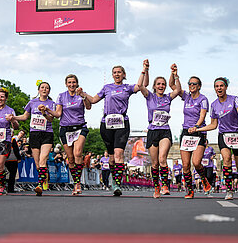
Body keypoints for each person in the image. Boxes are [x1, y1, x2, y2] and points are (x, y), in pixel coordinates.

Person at [78, 65, 147, 196]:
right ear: (112, 75)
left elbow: (140, 85)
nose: (117, 74)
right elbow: (93, 100)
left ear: (124, 74)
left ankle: (116, 183)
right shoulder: (107, 88)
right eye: (114, 72)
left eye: (119, 72)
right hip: (107, 124)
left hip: (122, 123)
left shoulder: (127, 88)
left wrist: (143, 70)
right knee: (111, 159)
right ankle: (113, 179)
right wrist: (83, 94)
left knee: (118, 154)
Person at [189, 77, 238, 200]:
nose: (219, 88)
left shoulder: (234, 99)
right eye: (217, 86)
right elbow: (213, 125)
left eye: (221, 86)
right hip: (223, 135)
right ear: (215, 89)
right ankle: (229, 190)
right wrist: (198, 128)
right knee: (226, 159)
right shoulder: (214, 105)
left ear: (226, 87)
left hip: (237, 134)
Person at [137, 60, 181, 198]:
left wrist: (175, 75)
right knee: (155, 163)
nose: (161, 86)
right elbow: (140, 85)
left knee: (163, 159)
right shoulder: (149, 96)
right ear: (154, 87)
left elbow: (178, 90)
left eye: (163, 84)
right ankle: (156, 187)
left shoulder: (168, 97)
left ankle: (165, 185)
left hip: (165, 131)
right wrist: (145, 70)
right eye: (159, 84)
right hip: (152, 131)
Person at [45, 74, 91, 195]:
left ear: (77, 83)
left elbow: (89, 107)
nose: (72, 85)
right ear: (66, 84)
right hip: (65, 129)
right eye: (69, 82)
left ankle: (78, 184)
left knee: (78, 153)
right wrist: (48, 110)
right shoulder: (61, 96)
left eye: (74, 82)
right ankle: (75, 181)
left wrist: (84, 96)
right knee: (70, 159)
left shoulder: (81, 94)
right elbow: (58, 114)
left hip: (80, 127)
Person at [169, 72, 212, 199]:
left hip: (198, 132)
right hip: (186, 132)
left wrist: (197, 126)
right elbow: (172, 85)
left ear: (199, 86)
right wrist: (174, 74)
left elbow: (202, 116)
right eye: (190, 83)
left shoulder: (203, 99)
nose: (192, 85)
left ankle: (204, 180)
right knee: (186, 164)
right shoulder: (186, 96)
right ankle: (190, 190)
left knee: (196, 162)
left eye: (194, 84)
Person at [9, 81, 54, 196]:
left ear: (49, 91)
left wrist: (44, 112)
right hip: (34, 134)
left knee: (43, 160)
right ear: (38, 90)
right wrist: (13, 117)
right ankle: (44, 176)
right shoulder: (32, 102)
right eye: (42, 87)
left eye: (47, 88)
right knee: (38, 164)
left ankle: (39, 186)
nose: (44, 89)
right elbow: (25, 116)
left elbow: (51, 119)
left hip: (47, 133)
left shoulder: (52, 103)